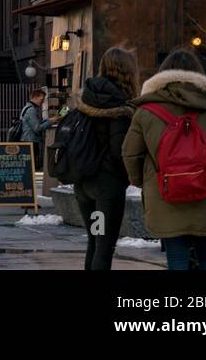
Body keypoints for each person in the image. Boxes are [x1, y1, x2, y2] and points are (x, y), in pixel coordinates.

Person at [123, 48, 206, 271]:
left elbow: (130, 154)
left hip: (164, 196)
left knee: (176, 261)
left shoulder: (145, 112)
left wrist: (144, 182)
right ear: (199, 74)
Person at [72, 47, 138, 270]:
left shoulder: (86, 97)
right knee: (104, 246)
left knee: (94, 241)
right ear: (126, 71)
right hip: (107, 185)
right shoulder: (119, 104)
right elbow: (120, 150)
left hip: (82, 181)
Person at [17, 88, 55, 168]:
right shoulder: (31, 110)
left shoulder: (27, 108)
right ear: (35, 97)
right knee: (29, 167)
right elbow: (37, 128)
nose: (43, 101)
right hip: (30, 141)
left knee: (28, 166)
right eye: (42, 99)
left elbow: (35, 124)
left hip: (27, 140)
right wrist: (51, 122)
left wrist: (49, 120)